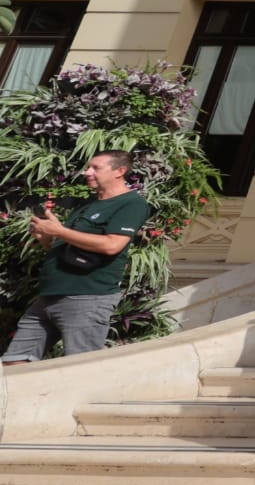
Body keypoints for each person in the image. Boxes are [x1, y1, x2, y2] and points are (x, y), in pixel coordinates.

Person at [4, 150, 150, 364]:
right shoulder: (89, 205)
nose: (87, 172)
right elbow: (68, 247)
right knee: (13, 363)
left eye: (95, 168)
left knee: (80, 367)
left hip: (87, 297)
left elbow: (112, 245)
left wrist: (60, 231)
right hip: (50, 296)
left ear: (120, 171)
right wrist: (46, 239)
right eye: (88, 167)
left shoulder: (131, 204)